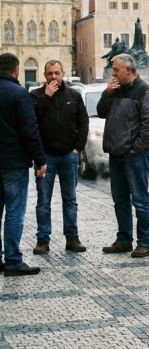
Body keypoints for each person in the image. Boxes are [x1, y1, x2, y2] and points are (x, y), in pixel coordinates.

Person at [97, 54, 149, 258]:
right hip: (116, 154)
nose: (113, 73)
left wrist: (136, 147)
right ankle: (124, 240)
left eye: (116, 70)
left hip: (134, 156)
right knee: (120, 200)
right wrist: (107, 93)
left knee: (140, 200)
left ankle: (144, 243)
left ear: (128, 70)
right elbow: (101, 112)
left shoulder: (145, 91)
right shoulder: (116, 90)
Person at [30, 60, 89, 255]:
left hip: (68, 156)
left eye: (57, 73)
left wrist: (77, 149)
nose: (54, 77)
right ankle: (42, 239)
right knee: (43, 201)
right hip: (45, 158)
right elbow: (31, 121)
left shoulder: (73, 95)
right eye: (50, 73)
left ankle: (72, 238)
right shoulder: (36, 95)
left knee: (70, 200)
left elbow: (83, 122)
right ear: (44, 75)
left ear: (63, 74)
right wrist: (46, 97)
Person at [0, 53, 47, 276]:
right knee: (14, 212)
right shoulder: (19, 93)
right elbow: (30, 130)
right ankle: (12, 260)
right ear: (17, 69)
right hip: (14, 162)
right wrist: (40, 160)